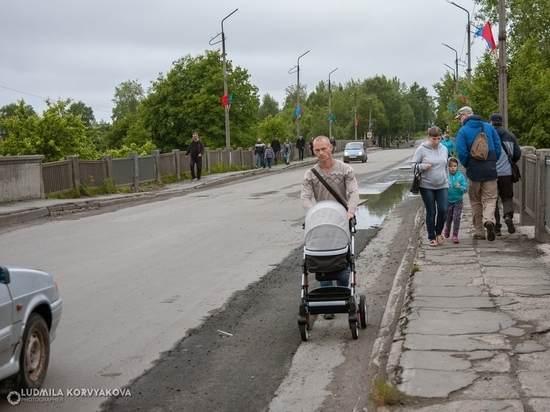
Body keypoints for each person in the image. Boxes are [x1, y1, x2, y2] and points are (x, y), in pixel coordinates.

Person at [301, 135, 359, 319]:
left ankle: (343, 294)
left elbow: (354, 192)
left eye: (324, 149)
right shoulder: (310, 174)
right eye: (317, 150)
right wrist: (313, 214)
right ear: (313, 151)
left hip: (342, 220)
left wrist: (350, 211)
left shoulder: (345, 170)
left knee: (342, 259)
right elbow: (305, 197)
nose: (321, 153)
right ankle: (327, 303)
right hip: (320, 222)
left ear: (331, 148)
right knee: (322, 260)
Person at [455, 106, 501, 241]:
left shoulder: (463, 131)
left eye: (459, 118)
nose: (459, 121)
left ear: (464, 116)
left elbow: (461, 152)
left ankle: (480, 232)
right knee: (491, 198)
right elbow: (498, 147)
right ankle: (489, 221)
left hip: (474, 171)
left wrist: (468, 165)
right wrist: (492, 161)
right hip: (490, 169)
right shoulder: (489, 127)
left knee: (475, 201)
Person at [411, 126, 449, 247]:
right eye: (434, 139)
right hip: (426, 185)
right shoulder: (421, 149)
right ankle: (431, 236)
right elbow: (413, 166)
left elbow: (446, 165)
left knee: (443, 210)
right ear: (429, 138)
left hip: (442, 184)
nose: (437, 141)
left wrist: (447, 180)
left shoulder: (444, 149)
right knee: (431, 210)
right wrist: (423, 166)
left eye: (439, 138)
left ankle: (439, 232)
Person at [489, 113, 521, 236]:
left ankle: (496, 227)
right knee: (507, 197)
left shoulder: (488, 136)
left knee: (493, 200)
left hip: (491, 174)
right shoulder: (510, 136)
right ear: (502, 122)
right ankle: (508, 216)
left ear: (491, 122)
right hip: (507, 173)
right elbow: (517, 153)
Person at [444, 157, 468, 244]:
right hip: (448, 201)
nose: (453, 168)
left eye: (455, 166)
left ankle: (455, 235)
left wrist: (460, 187)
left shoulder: (460, 177)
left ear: (457, 166)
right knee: (448, 218)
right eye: (450, 166)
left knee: (456, 217)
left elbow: (465, 189)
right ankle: (447, 228)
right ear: (447, 167)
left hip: (458, 200)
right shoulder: (446, 176)